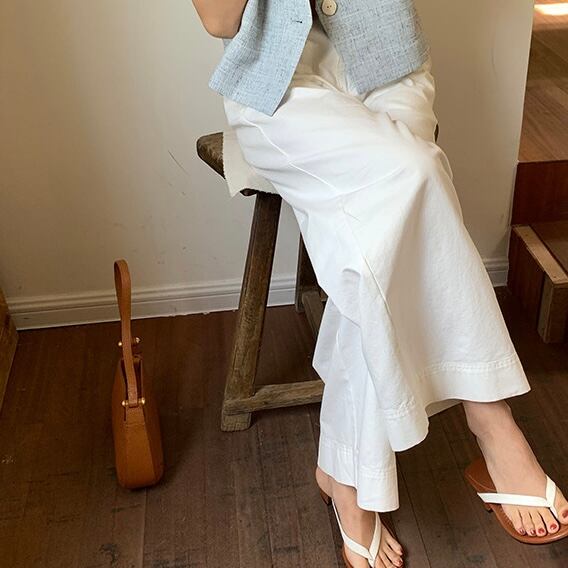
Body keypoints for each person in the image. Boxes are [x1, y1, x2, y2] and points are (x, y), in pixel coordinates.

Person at [193, 0, 568, 566]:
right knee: (414, 174)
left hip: (388, 65)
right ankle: (492, 420)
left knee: (378, 241)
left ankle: (344, 476)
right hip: (280, 87)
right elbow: (220, 21)